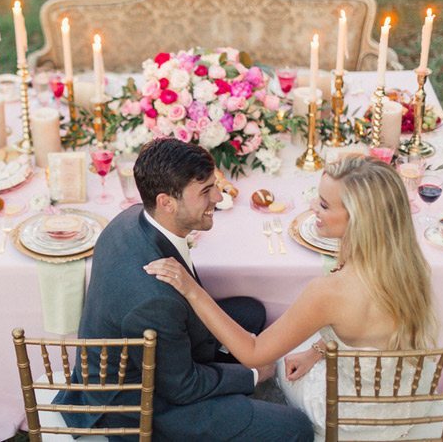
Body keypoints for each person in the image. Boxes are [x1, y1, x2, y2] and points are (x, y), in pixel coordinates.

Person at [146, 154, 443, 441]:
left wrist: (192, 290)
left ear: (358, 218)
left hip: (352, 415)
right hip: (408, 399)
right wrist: (318, 349)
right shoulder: (411, 264)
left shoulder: (329, 293)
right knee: (301, 342)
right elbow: (373, 336)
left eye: (323, 204)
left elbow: (252, 353)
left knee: (277, 357)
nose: (312, 208)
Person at [55, 138, 313, 441]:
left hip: (161, 350)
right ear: (166, 202)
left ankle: (231, 380)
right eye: (205, 191)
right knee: (295, 427)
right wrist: (255, 373)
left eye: (214, 185)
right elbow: (182, 386)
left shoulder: (133, 217)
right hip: (146, 403)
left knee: (251, 311)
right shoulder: (152, 300)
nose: (218, 196)